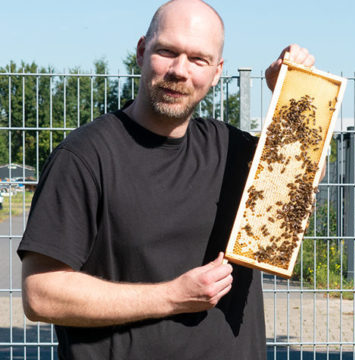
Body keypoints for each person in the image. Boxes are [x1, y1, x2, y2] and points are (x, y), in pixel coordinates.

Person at [17, 0, 316, 358]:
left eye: (198, 59)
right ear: (142, 51)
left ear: (217, 71)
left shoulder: (233, 150)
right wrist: (173, 297)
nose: (179, 70)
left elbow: (298, 187)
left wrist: (293, 94)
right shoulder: (85, 157)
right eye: (167, 51)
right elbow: (40, 295)